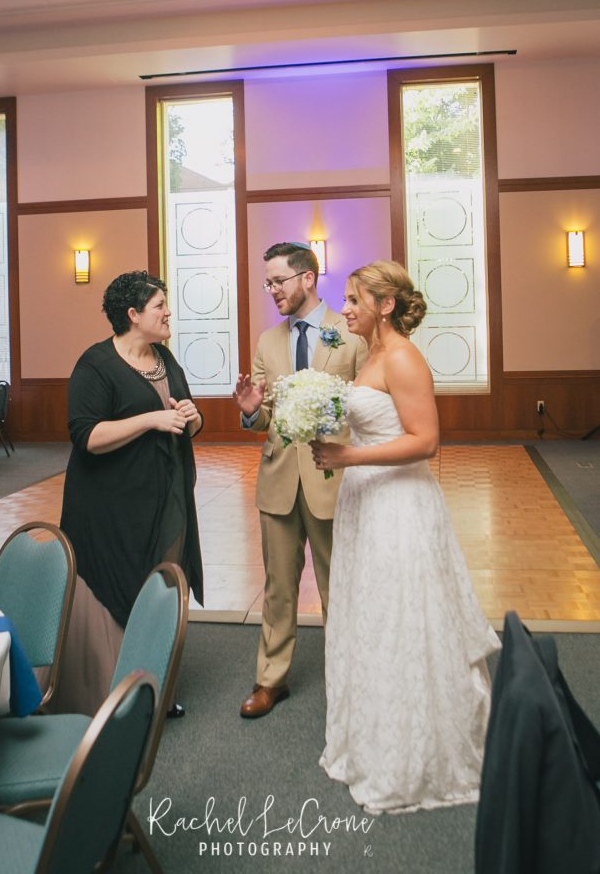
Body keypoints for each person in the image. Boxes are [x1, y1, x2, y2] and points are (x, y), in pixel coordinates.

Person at [310, 260, 500, 813]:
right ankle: (373, 738)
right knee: (371, 616)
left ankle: (418, 754)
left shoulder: (402, 357)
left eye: (354, 299)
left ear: (385, 305)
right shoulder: (369, 355)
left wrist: (348, 456)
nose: (344, 308)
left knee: (403, 616)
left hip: (399, 505)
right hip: (364, 502)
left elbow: (426, 440)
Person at [55, 270, 203, 715]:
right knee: (120, 587)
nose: (168, 312)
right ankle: (114, 696)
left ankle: (157, 688)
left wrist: (191, 417)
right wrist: (150, 420)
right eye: (160, 306)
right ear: (133, 314)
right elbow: (87, 436)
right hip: (110, 505)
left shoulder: (164, 358)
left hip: (167, 495)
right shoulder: (96, 364)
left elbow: (185, 420)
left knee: (162, 584)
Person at [233, 242, 367, 718]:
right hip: (278, 480)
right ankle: (270, 680)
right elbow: (265, 417)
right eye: (267, 283)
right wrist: (252, 411)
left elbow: (367, 405)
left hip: (334, 479)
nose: (271, 290)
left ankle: (351, 681)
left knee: (339, 586)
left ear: (308, 278)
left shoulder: (350, 333)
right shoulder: (268, 341)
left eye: (278, 281)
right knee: (278, 587)